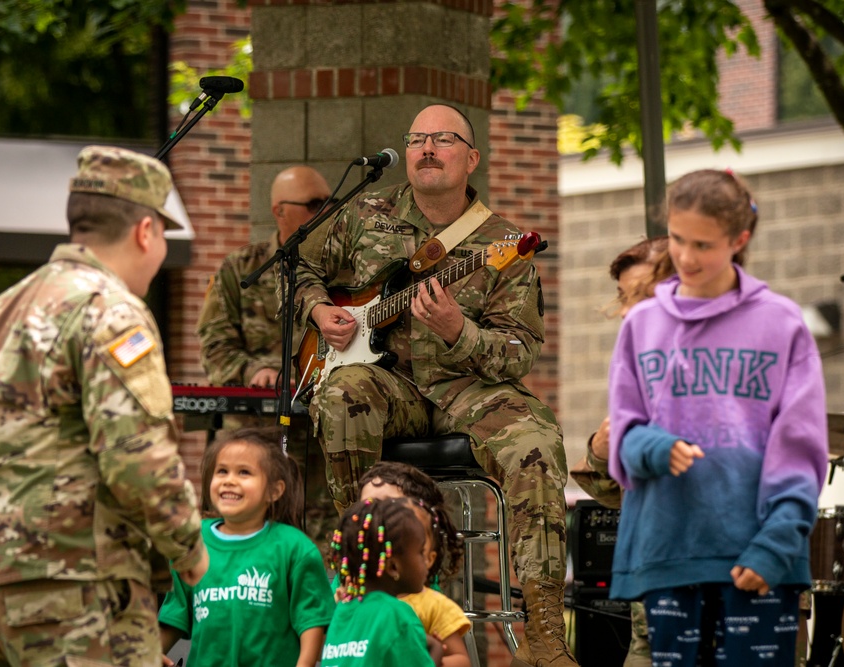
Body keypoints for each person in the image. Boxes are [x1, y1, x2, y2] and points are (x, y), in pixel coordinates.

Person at [294, 103, 575, 666]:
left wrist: (459, 331)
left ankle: (543, 633)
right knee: (342, 393)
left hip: (467, 389)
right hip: (385, 383)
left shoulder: (502, 244)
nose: (426, 148)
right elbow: (298, 268)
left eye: (443, 139)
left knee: (536, 443)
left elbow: (518, 354)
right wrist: (320, 310)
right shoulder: (363, 214)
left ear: (470, 158)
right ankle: (362, 581)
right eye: (417, 138)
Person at [0, 145, 209, 666]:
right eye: (164, 235)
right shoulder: (110, 310)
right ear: (146, 231)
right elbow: (136, 457)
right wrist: (191, 553)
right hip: (79, 590)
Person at [607, 169, 828, 666]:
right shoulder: (642, 324)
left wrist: (776, 545)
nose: (686, 258)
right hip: (669, 555)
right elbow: (623, 433)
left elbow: (802, 447)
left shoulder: (782, 322)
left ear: (739, 240)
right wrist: (654, 447)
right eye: (679, 239)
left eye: (703, 245)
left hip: (758, 558)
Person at [196, 165, 335, 556]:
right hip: (253, 434)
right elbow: (214, 343)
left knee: (320, 549)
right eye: (312, 204)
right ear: (279, 211)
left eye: (329, 202)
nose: (324, 211)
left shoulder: (343, 271)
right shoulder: (242, 268)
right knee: (242, 541)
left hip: (320, 441)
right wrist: (254, 371)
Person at [568, 236, 671, 667]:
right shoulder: (638, 372)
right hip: (648, 597)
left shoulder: (714, 369)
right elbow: (620, 496)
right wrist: (598, 450)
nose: (628, 310)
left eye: (643, 295)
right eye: (623, 297)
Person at [159, 427, 335, 667]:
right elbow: (174, 617)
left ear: (274, 491)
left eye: (244, 472)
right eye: (222, 471)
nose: (229, 481)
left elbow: (312, 624)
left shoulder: (295, 549)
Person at [356, 462, 469, 667]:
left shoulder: (423, 597)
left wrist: (426, 656)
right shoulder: (349, 584)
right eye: (367, 507)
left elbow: (461, 660)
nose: (376, 516)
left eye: (388, 506)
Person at [322, 497, 443, 666]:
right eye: (420, 552)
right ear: (393, 566)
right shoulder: (397, 615)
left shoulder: (343, 611)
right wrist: (437, 649)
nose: (427, 560)